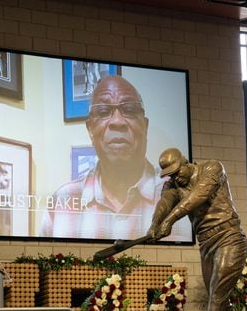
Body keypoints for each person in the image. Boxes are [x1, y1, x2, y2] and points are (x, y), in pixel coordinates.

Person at [40, 75, 188, 241]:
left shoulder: (180, 196)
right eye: (103, 112)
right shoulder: (62, 201)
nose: (117, 122)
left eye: (130, 110)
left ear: (145, 127)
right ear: (90, 129)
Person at [146, 148, 247, 311]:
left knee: (217, 292)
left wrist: (170, 221)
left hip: (229, 236)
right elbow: (164, 205)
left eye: (176, 172)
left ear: (185, 162)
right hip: (206, 243)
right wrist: (155, 224)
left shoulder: (212, 167)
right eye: (170, 175)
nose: (175, 178)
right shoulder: (172, 185)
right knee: (218, 295)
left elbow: (199, 195)